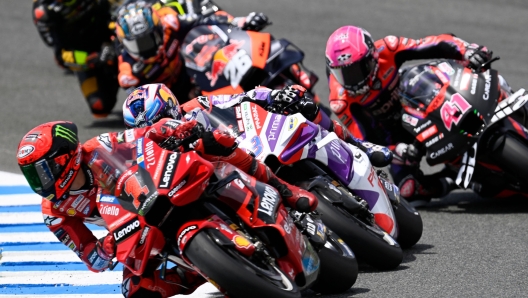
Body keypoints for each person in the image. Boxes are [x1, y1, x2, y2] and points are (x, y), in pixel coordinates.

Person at [16, 116, 317, 296]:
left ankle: (283, 189)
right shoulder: (54, 212)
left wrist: (174, 130)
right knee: (134, 291)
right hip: (133, 232)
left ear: (65, 157)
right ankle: (211, 272)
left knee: (215, 143)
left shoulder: (101, 146)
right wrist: (106, 247)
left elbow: (143, 136)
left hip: (158, 188)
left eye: (41, 171)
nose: (40, 183)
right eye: (32, 176)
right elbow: (90, 258)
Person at [324, 25, 494, 204]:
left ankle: (496, 96)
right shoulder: (341, 101)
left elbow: (433, 43)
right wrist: (395, 149)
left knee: (450, 68)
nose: (352, 80)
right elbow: (361, 142)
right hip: (398, 137)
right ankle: (451, 179)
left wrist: (466, 50)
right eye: (343, 74)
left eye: (356, 70)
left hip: (421, 100)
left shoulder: (388, 48)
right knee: (407, 190)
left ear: (372, 57)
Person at [122, 83, 394, 168]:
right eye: (150, 129)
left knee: (301, 106)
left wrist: (274, 96)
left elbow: (237, 98)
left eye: (159, 120)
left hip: (250, 142)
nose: (159, 129)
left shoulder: (196, 105)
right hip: (228, 176)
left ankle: (358, 145)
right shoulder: (156, 160)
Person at [115, 1, 270, 102]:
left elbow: (202, 20)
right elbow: (142, 106)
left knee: (203, 42)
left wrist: (240, 21)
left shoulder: (170, 22)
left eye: (149, 39)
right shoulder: (128, 74)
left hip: (192, 73)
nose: (146, 48)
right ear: (125, 44)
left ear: (159, 29)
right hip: (172, 100)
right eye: (137, 44)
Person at [32, 0, 121, 118]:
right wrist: (93, 59)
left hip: (114, 35)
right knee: (99, 106)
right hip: (88, 53)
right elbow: (62, 58)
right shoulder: (44, 12)